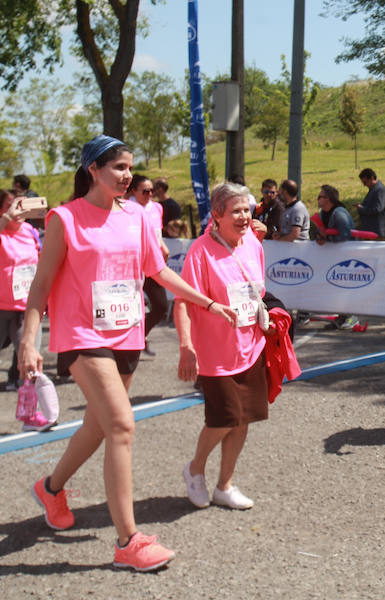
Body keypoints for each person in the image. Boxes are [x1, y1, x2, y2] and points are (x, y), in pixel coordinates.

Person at [19, 135, 236, 571]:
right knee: (121, 425)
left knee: (99, 427)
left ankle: (51, 487)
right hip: (82, 335)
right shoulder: (65, 218)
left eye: (129, 168)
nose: (126, 175)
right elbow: (41, 284)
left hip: (127, 334)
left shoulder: (138, 217)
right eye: (118, 167)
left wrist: (208, 302)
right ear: (93, 170)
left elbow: (156, 270)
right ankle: (129, 542)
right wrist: (29, 339)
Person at [176, 182, 271, 512]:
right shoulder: (200, 251)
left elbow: (258, 290)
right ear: (217, 215)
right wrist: (186, 346)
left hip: (252, 346)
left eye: (247, 209)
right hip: (215, 354)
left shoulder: (252, 245)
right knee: (223, 418)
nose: (245, 216)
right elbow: (184, 302)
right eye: (237, 211)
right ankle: (195, 469)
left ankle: (225, 485)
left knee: (243, 419)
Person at [0, 190, 45, 426]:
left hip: (27, 307)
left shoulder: (29, 232)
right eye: (10, 206)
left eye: (20, 205)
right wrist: (6, 218)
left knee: (30, 360)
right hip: (1, 307)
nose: (17, 210)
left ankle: (30, 412)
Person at [127, 175, 169, 358]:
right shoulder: (126, 208)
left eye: (152, 190)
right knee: (130, 307)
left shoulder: (157, 208)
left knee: (160, 306)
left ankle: (140, 336)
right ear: (133, 192)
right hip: (132, 265)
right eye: (145, 191)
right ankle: (127, 344)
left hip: (152, 264)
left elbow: (157, 234)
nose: (150, 194)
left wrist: (163, 247)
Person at [315, 184, 358, 330]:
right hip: (336, 258)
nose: (318, 199)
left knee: (347, 287)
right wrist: (320, 238)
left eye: (321, 196)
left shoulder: (339, 213)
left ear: (329, 199)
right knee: (337, 287)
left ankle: (352, 316)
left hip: (348, 257)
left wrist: (328, 239)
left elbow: (345, 236)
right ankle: (342, 315)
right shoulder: (323, 213)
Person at [357, 168, 385, 237]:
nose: (364, 185)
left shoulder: (379, 189)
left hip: (378, 231)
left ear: (372, 178)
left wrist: (361, 208)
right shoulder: (374, 189)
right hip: (373, 231)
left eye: (365, 182)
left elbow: (378, 208)